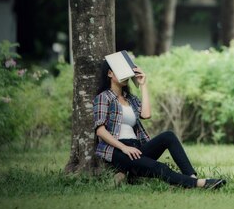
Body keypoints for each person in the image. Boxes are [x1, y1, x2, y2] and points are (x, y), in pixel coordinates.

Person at [93, 58, 226, 189]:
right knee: (159, 167)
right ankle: (201, 184)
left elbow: (146, 114)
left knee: (168, 136)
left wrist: (143, 84)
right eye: (121, 71)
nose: (126, 75)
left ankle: (190, 177)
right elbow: (100, 130)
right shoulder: (103, 97)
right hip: (118, 150)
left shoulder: (130, 99)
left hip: (137, 148)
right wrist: (123, 147)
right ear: (110, 73)